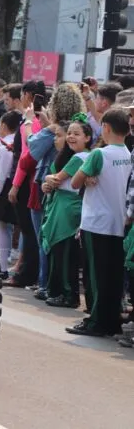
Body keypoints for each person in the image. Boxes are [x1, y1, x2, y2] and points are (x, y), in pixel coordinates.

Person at [67, 108, 133, 337]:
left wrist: (87, 176)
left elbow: (75, 182)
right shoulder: (128, 153)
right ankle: (111, 319)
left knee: (95, 276)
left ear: (105, 127)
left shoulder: (100, 154)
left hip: (97, 222)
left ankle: (96, 322)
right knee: (113, 276)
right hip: (119, 222)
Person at [40, 118, 92, 309]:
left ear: (87, 138)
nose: (70, 137)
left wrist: (48, 179)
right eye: (69, 133)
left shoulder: (82, 158)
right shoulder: (71, 157)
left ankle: (68, 295)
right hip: (61, 206)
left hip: (68, 209)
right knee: (59, 252)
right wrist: (48, 182)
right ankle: (59, 292)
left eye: (76, 134)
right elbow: (52, 181)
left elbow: (57, 178)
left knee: (65, 253)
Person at [4, 80, 47, 289]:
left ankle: (26, 274)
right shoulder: (34, 120)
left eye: (22, 94)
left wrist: (15, 184)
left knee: (29, 231)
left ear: (28, 95)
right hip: (30, 180)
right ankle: (26, 270)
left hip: (27, 181)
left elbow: (26, 157)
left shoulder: (31, 122)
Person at [0, 111, 22, 277]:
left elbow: (0, 176)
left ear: (3, 125)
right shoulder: (17, 143)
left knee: (0, 227)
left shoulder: (4, 147)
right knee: (5, 228)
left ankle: (1, 267)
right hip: (12, 185)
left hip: (3, 187)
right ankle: (2, 265)